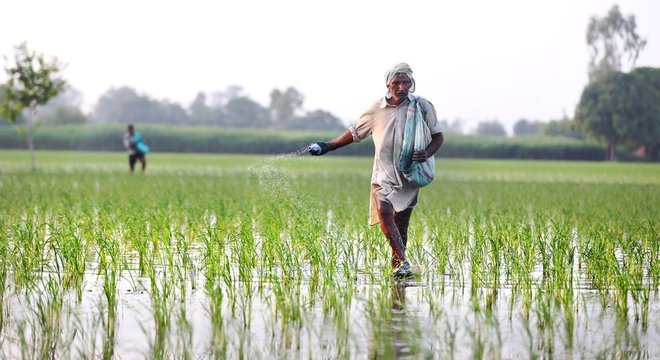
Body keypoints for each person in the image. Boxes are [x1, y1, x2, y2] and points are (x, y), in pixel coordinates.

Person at [309, 63, 444, 278]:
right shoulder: (377, 109)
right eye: (396, 83)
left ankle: (398, 269)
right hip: (383, 173)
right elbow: (354, 133)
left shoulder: (422, 107)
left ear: (412, 84)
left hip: (409, 174)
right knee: (384, 210)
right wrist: (328, 145)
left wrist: (427, 153)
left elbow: (438, 136)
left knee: (400, 226)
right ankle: (402, 262)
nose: (401, 87)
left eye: (406, 82)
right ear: (388, 85)